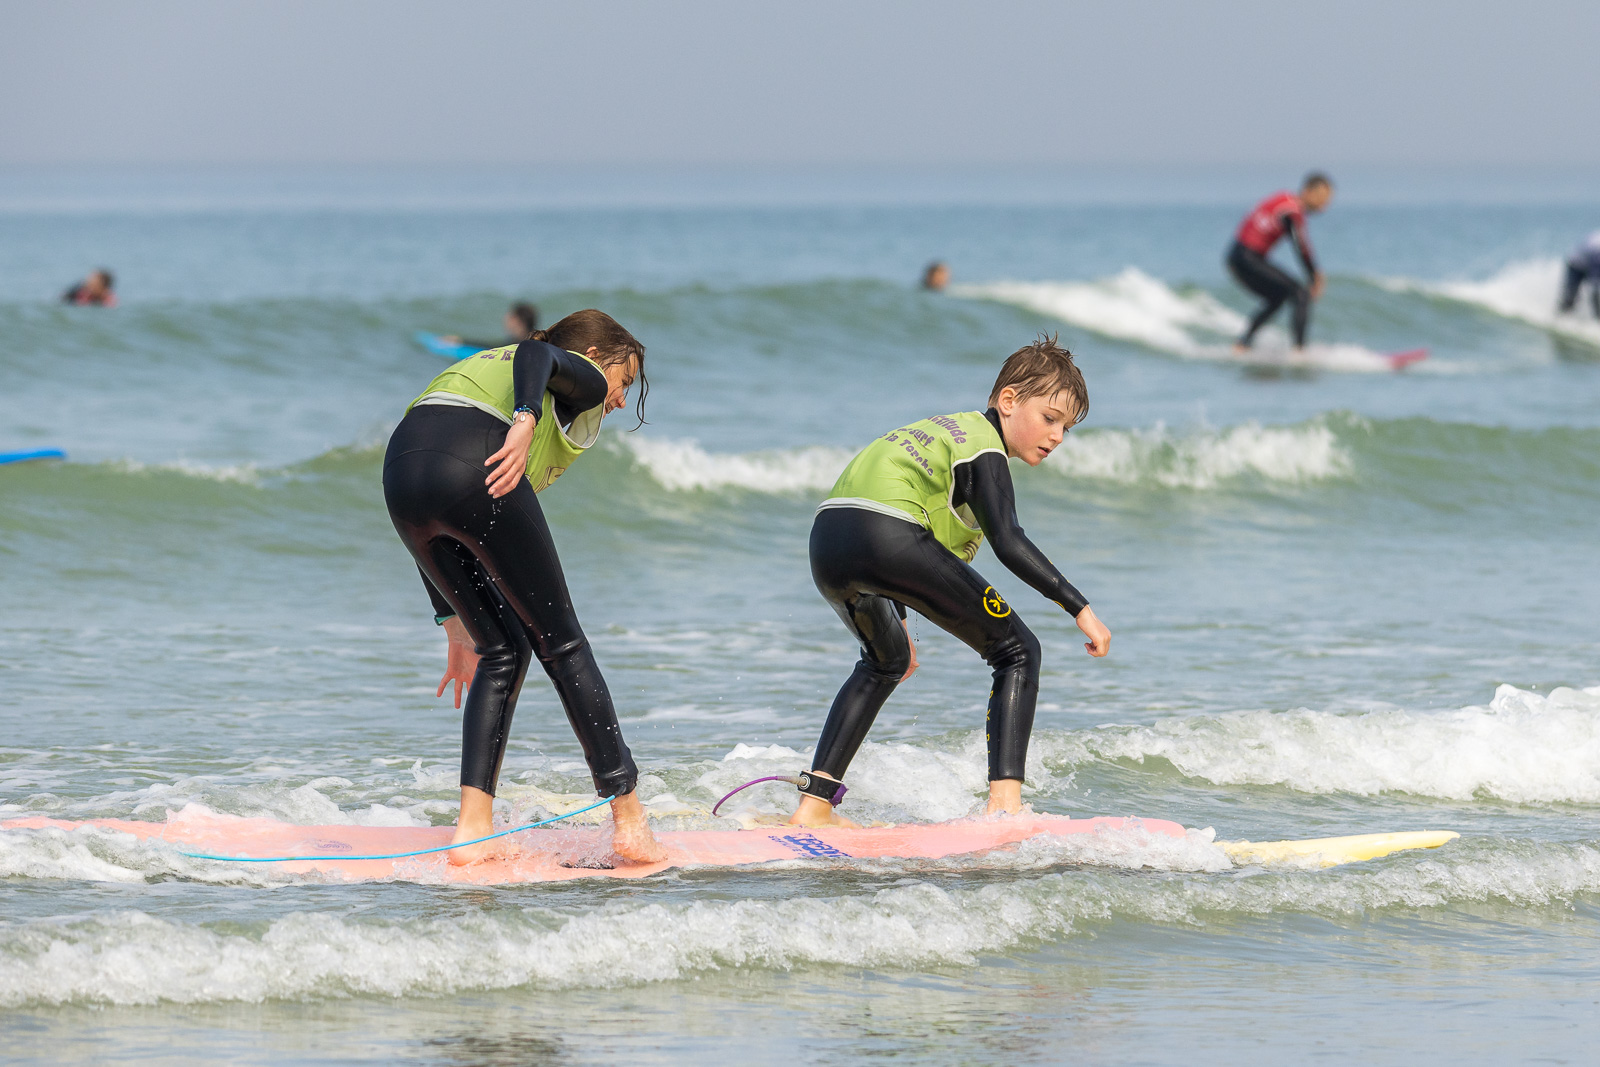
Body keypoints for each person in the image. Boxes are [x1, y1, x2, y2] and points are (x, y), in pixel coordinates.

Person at [790, 336, 1111, 828]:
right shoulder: (984, 444)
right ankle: (1005, 808)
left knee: (886, 662)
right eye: (1050, 418)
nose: (1058, 436)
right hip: (886, 533)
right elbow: (1009, 541)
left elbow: (889, 523)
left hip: (829, 541)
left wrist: (897, 627)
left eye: (1066, 427)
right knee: (1018, 651)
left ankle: (814, 806)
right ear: (1008, 401)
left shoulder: (943, 434)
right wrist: (1079, 607)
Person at [382, 308, 664, 865]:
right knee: (563, 643)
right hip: (477, 461)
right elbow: (538, 354)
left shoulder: (487, 366)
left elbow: (433, 506)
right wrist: (526, 419)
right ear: (594, 358)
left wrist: (453, 622)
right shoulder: (573, 373)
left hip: (401, 474)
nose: (619, 399)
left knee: (502, 649)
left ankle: (472, 831)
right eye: (624, 379)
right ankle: (630, 819)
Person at [1226, 173, 1333, 351]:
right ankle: (1299, 351)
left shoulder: (1283, 199)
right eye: (1322, 199)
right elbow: (1300, 246)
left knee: (1278, 297)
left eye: (1327, 202)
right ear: (1307, 191)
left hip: (1237, 257)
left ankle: (1242, 344)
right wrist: (1314, 275)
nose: (1323, 207)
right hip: (1247, 257)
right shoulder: (1292, 210)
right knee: (1301, 294)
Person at [443, 302, 540, 351]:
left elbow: (493, 347)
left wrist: (462, 341)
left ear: (517, 321)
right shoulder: (536, 340)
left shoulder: (517, 345)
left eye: (510, 317)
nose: (505, 320)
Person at [1558, 230, 1600, 318]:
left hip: (1587, 258)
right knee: (1570, 297)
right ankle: (1560, 317)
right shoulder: (1597, 251)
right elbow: (1594, 290)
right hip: (1576, 265)